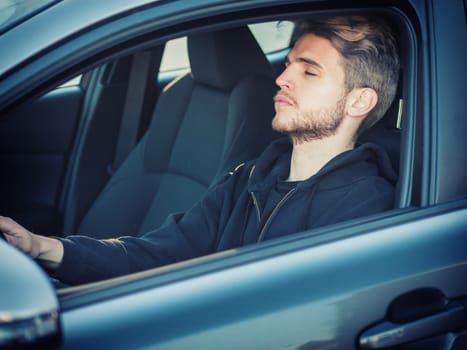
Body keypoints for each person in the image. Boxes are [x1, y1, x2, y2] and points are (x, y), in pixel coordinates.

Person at [0, 15, 400, 285]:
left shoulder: (363, 210)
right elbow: (158, 255)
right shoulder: (249, 178)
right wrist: (41, 247)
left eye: (308, 71)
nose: (282, 77)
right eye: (289, 63)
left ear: (358, 102)